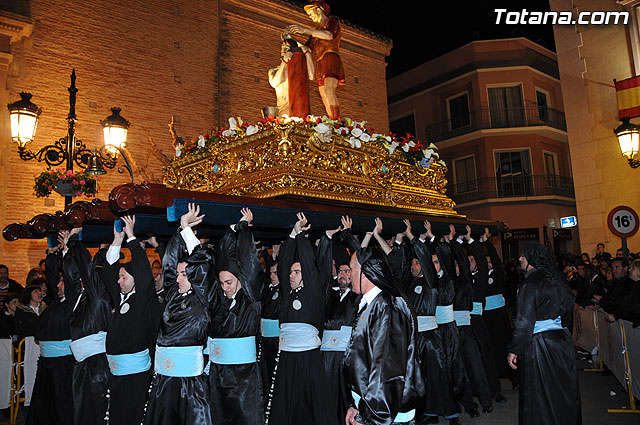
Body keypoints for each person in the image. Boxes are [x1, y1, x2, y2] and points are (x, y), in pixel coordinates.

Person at [144, 203, 213, 425]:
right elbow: (169, 265)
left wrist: (186, 228)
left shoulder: (201, 296)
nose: (179, 277)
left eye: (185, 274)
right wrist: (179, 233)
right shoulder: (173, 294)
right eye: (179, 274)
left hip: (189, 383)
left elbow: (201, 263)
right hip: (165, 376)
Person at [268, 212, 336, 425]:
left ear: (306, 276)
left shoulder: (314, 293)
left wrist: (302, 238)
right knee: (286, 406)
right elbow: (283, 264)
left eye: (296, 272)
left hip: (308, 359)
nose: (291, 275)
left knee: (312, 407)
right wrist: (292, 235)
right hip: (287, 358)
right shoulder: (288, 293)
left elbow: (308, 262)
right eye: (291, 272)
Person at [344, 245, 424, 425]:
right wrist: (356, 404)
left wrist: (368, 416)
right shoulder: (372, 304)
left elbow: (386, 373)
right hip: (371, 407)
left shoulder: (389, 307)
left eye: (351, 270)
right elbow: (364, 361)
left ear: (364, 272)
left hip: (385, 416)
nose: (348, 276)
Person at [507, 244, 581, 425]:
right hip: (561, 341)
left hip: (540, 345)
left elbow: (524, 320)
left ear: (531, 258)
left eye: (523, 255)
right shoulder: (557, 279)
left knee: (539, 395)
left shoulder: (531, 282)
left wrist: (514, 349)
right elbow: (567, 313)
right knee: (561, 393)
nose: (520, 259)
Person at [101, 215, 160, 425]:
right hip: (116, 372)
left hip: (135, 374)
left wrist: (132, 237)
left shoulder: (145, 299)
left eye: (124, 277)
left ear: (136, 279)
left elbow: (144, 272)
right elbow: (108, 272)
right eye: (120, 277)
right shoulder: (119, 298)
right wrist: (117, 240)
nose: (119, 281)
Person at [208, 208, 264, 425]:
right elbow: (223, 256)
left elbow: (249, 264)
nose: (225, 288)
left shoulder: (251, 298)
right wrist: (230, 232)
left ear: (241, 280)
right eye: (222, 283)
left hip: (243, 378)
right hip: (219, 374)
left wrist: (242, 230)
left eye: (229, 282)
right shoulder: (221, 302)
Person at [64, 226, 112, 425]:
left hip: (96, 367)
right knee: (80, 409)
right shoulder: (82, 297)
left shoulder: (98, 297)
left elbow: (86, 268)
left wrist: (75, 239)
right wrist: (66, 251)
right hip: (82, 364)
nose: (80, 279)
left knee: (93, 411)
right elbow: (71, 277)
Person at [26, 238, 75, 425]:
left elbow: (69, 276)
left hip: (62, 364)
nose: (58, 284)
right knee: (42, 404)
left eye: (63, 282)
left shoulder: (72, 302)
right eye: (59, 282)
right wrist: (52, 253)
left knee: (61, 405)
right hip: (46, 362)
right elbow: (52, 276)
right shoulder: (55, 302)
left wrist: (68, 250)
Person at [320, 216, 359, 424]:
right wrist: (328, 238)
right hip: (327, 357)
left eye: (347, 271)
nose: (343, 274)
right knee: (327, 398)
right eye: (341, 271)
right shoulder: (330, 294)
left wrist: (348, 236)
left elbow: (363, 259)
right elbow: (324, 270)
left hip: (347, 356)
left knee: (348, 399)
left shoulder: (359, 296)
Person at [287, 1, 345, 119]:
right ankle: (331, 119)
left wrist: (304, 30)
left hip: (330, 57)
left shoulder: (332, 21)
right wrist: (290, 41)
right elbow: (307, 48)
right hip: (320, 62)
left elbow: (329, 35)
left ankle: (337, 121)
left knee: (329, 89)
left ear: (318, 10)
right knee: (323, 93)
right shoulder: (316, 31)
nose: (311, 17)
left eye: (311, 13)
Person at [268, 33, 314, 118]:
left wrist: (307, 54)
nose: (285, 51)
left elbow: (311, 76)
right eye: (283, 48)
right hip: (283, 109)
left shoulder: (298, 70)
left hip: (299, 106)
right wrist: (284, 62)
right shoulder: (274, 71)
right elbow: (274, 83)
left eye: (287, 49)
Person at [259, 249, 281, 405]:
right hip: (264, 338)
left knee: (274, 372)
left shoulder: (283, 290)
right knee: (264, 372)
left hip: (276, 340)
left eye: (275, 273)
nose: (272, 276)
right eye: (271, 273)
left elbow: (270, 311)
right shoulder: (268, 289)